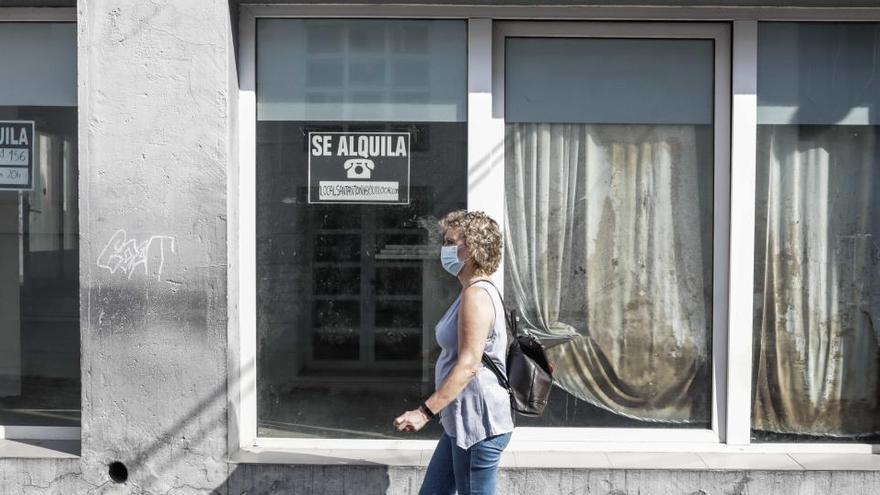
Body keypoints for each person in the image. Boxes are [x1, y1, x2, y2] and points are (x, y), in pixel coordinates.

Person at [393, 210, 514, 495]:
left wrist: (424, 412)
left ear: (471, 249)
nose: (443, 249)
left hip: (476, 424)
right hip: (459, 422)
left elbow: (469, 364)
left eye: (450, 242)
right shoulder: (472, 291)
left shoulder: (476, 295)